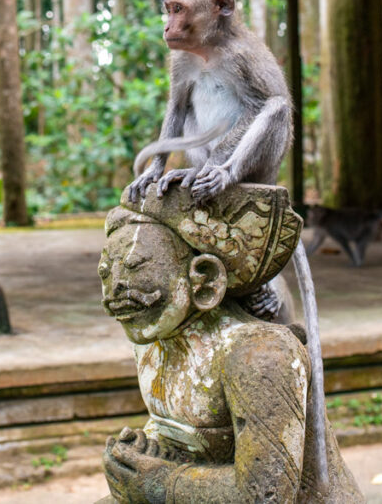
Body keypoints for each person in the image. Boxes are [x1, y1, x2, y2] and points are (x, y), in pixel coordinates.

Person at [97, 183, 363, 503]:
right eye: (105, 273)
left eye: (135, 267)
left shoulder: (258, 356)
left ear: (204, 278)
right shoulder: (153, 340)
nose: (114, 291)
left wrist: (158, 481)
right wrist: (147, 451)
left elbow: (265, 494)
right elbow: (183, 431)